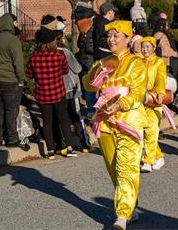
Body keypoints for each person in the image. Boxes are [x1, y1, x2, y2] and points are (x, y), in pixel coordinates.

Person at [85, 20, 147, 230]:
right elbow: (87, 83)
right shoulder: (103, 62)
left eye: (116, 36)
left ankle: (122, 215)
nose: (111, 39)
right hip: (105, 121)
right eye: (109, 36)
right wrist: (97, 74)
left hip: (129, 121)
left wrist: (121, 103)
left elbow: (138, 93)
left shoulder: (136, 63)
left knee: (126, 168)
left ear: (128, 39)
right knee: (114, 169)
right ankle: (131, 206)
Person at [26, 28, 76, 159]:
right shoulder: (59, 55)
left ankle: (50, 150)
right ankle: (69, 147)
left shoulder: (33, 57)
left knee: (47, 122)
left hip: (42, 93)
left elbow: (29, 74)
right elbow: (65, 71)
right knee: (64, 119)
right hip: (58, 91)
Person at [0, 13, 25, 147]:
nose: (17, 25)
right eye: (15, 23)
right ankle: (12, 138)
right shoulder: (13, 39)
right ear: (10, 23)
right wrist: (21, 79)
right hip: (10, 79)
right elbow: (18, 62)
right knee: (11, 110)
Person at [140, 36, 167, 172]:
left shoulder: (159, 62)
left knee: (151, 130)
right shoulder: (139, 62)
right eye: (142, 47)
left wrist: (159, 93)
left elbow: (161, 78)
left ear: (153, 48)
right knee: (146, 133)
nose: (145, 50)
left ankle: (147, 161)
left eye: (147, 47)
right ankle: (159, 156)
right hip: (141, 101)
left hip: (154, 101)